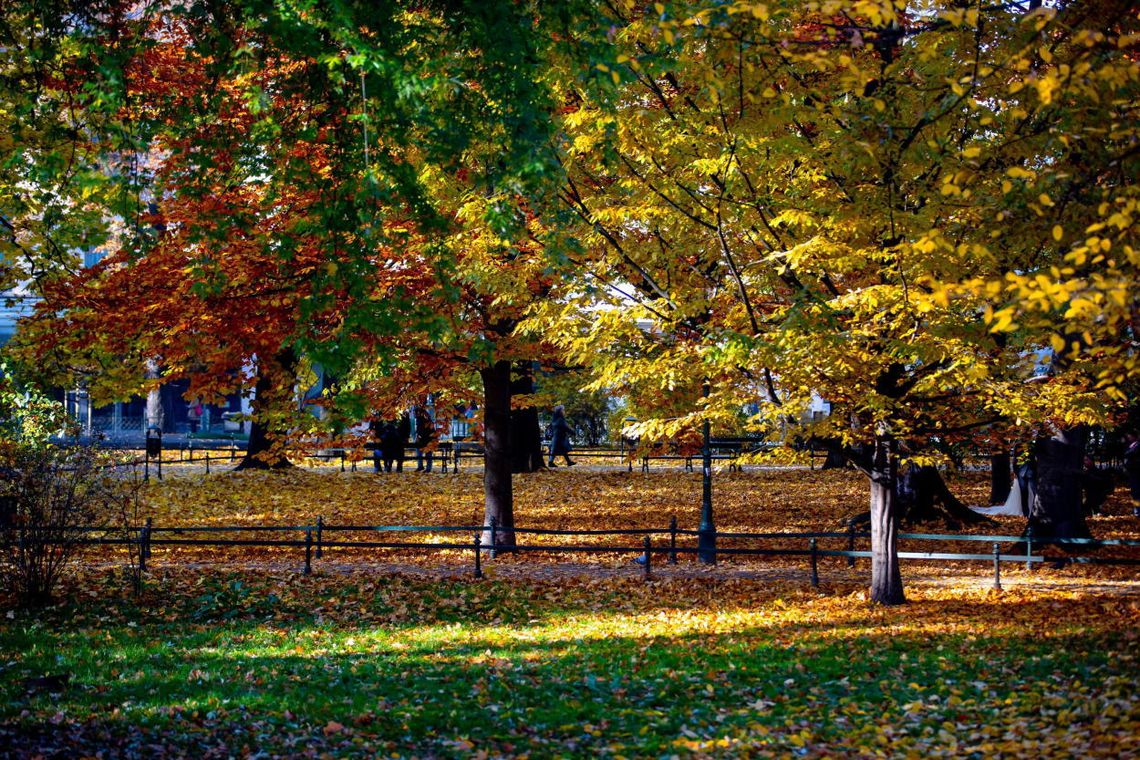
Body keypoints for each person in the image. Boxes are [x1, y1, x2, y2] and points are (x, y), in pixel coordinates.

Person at [413, 403, 436, 472]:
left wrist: (418, 436)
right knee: (428, 455)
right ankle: (427, 468)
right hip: (428, 439)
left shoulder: (420, 420)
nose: (414, 414)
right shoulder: (427, 419)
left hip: (424, 439)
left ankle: (421, 466)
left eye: (415, 413)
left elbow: (420, 431)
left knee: (421, 453)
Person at [1124, 432, 1140, 517]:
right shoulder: (1131, 445)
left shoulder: (1137, 445)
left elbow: (1129, 453)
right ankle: (1136, 509)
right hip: (1133, 472)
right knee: (1135, 492)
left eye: (1130, 435)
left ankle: (1137, 511)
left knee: (1137, 492)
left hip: (1137, 472)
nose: (1128, 437)